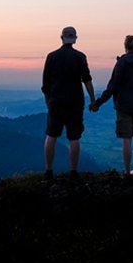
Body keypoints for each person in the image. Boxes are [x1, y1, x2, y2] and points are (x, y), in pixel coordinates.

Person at [91, 35, 133, 176]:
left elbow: (112, 86)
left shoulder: (121, 63)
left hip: (124, 106)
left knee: (126, 139)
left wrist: (98, 103)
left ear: (125, 46)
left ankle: (126, 172)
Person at [41, 25, 96, 181]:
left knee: (51, 135)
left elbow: (45, 84)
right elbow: (87, 80)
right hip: (75, 102)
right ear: (75, 39)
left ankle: (48, 171)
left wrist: (48, 102)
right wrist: (93, 100)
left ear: (61, 38)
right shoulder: (80, 57)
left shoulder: (51, 57)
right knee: (74, 137)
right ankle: (73, 172)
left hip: (56, 101)